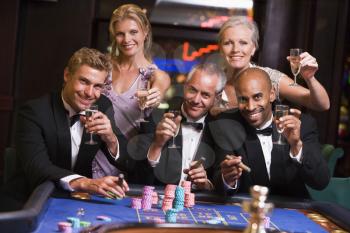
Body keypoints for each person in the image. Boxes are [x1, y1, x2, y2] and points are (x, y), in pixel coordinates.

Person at [1, 47, 129, 211]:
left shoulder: (102, 105)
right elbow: (38, 167)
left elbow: (128, 159)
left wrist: (110, 137)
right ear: (67, 75)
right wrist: (87, 182)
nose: (90, 93)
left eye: (98, 86)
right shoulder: (33, 112)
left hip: (76, 202)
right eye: (84, 82)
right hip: (29, 201)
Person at [212, 67, 330, 198]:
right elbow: (217, 181)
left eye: (257, 97)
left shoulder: (301, 123)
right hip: (246, 209)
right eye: (243, 99)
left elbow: (321, 181)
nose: (250, 107)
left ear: (272, 94)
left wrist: (297, 146)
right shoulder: (226, 125)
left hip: (292, 209)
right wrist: (228, 179)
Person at [92, 4, 171, 179]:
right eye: (120, 33)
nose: (126, 39)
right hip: (90, 157)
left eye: (133, 32)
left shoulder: (155, 76)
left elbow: (159, 87)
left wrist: (155, 94)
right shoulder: (103, 66)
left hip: (124, 166)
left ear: (145, 31)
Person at [129, 63, 226, 190]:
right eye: (192, 90)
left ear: (217, 98)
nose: (196, 100)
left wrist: (206, 185)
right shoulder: (155, 118)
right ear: (185, 87)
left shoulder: (221, 130)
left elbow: (224, 187)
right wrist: (157, 145)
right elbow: (138, 179)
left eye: (205, 95)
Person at [217, 16, 330, 112]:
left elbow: (321, 105)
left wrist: (310, 79)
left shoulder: (270, 77)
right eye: (228, 43)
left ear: (253, 48)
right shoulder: (213, 80)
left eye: (243, 43)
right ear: (221, 49)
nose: (235, 49)